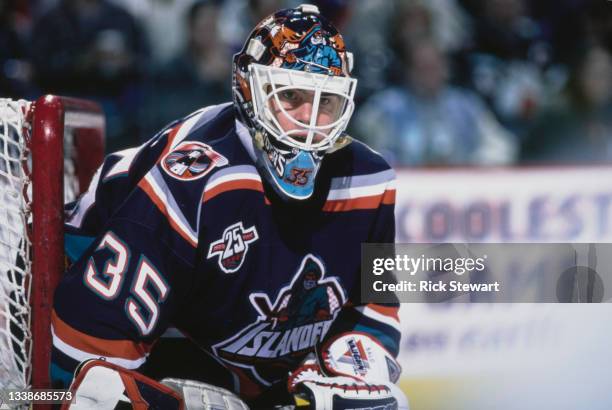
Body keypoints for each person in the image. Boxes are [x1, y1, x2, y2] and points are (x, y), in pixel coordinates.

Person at [53, 4, 408, 409]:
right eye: (291, 96)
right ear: (248, 89)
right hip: (132, 347)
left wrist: (351, 370)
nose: (310, 121)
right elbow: (82, 367)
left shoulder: (370, 180)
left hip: (243, 371)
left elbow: (371, 309)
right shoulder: (194, 180)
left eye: (326, 101)